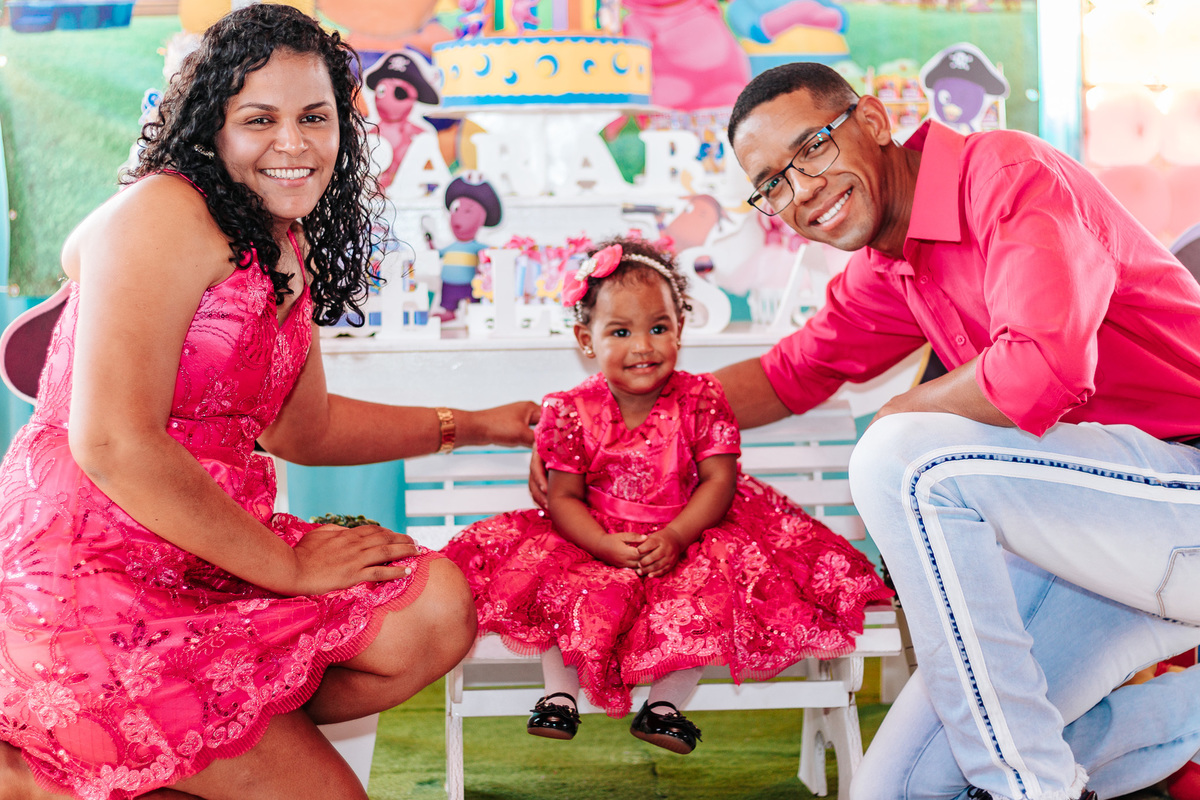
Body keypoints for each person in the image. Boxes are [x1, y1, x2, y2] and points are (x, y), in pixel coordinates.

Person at [0, 6, 538, 800]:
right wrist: (287, 567)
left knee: (434, 610)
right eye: (260, 119)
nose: (294, 143)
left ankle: (140, 757)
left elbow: (302, 427)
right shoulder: (164, 210)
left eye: (314, 117)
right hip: (95, 564)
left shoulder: (282, 237)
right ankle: (47, 767)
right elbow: (112, 443)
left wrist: (476, 425)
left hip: (209, 550)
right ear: (210, 128)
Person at [707, 61, 1200, 800]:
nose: (801, 189)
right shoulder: (889, 265)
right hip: (1103, 539)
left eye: (811, 147)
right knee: (901, 789)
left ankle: (1033, 788)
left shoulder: (1007, 175)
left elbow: (1041, 367)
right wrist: (595, 413)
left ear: (873, 121)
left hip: (1181, 490)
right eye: (773, 183)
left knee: (898, 455)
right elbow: (791, 373)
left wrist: (898, 416)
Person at [443, 236, 890, 755]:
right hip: (592, 534)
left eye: (658, 328)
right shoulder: (569, 410)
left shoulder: (702, 398)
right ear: (586, 339)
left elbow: (719, 480)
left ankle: (663, 706)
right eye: (621, 331)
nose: (643, 346)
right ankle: (560, 696)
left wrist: (678, 535)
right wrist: (601, 544)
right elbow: (562, 497)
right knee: (566, 591)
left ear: (680, 327)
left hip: (690, 530)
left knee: (705, 597)